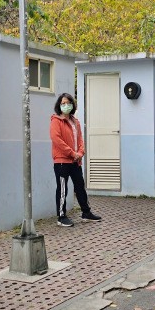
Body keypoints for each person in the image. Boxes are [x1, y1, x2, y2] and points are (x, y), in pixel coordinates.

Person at [49, 93, 102, 227]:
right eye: (63, 103)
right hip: (62, 161)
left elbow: (80, 140)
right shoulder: (56, 121)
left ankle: (86, 212)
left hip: (75, 161)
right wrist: (72, 153)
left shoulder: (75, 122)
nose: (66, 105)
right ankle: (61, 216)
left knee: (80, 186)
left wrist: (80, 152)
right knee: (62, 189)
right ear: (59, 105)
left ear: (72, 105)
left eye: (68, 103)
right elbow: (57, 140)